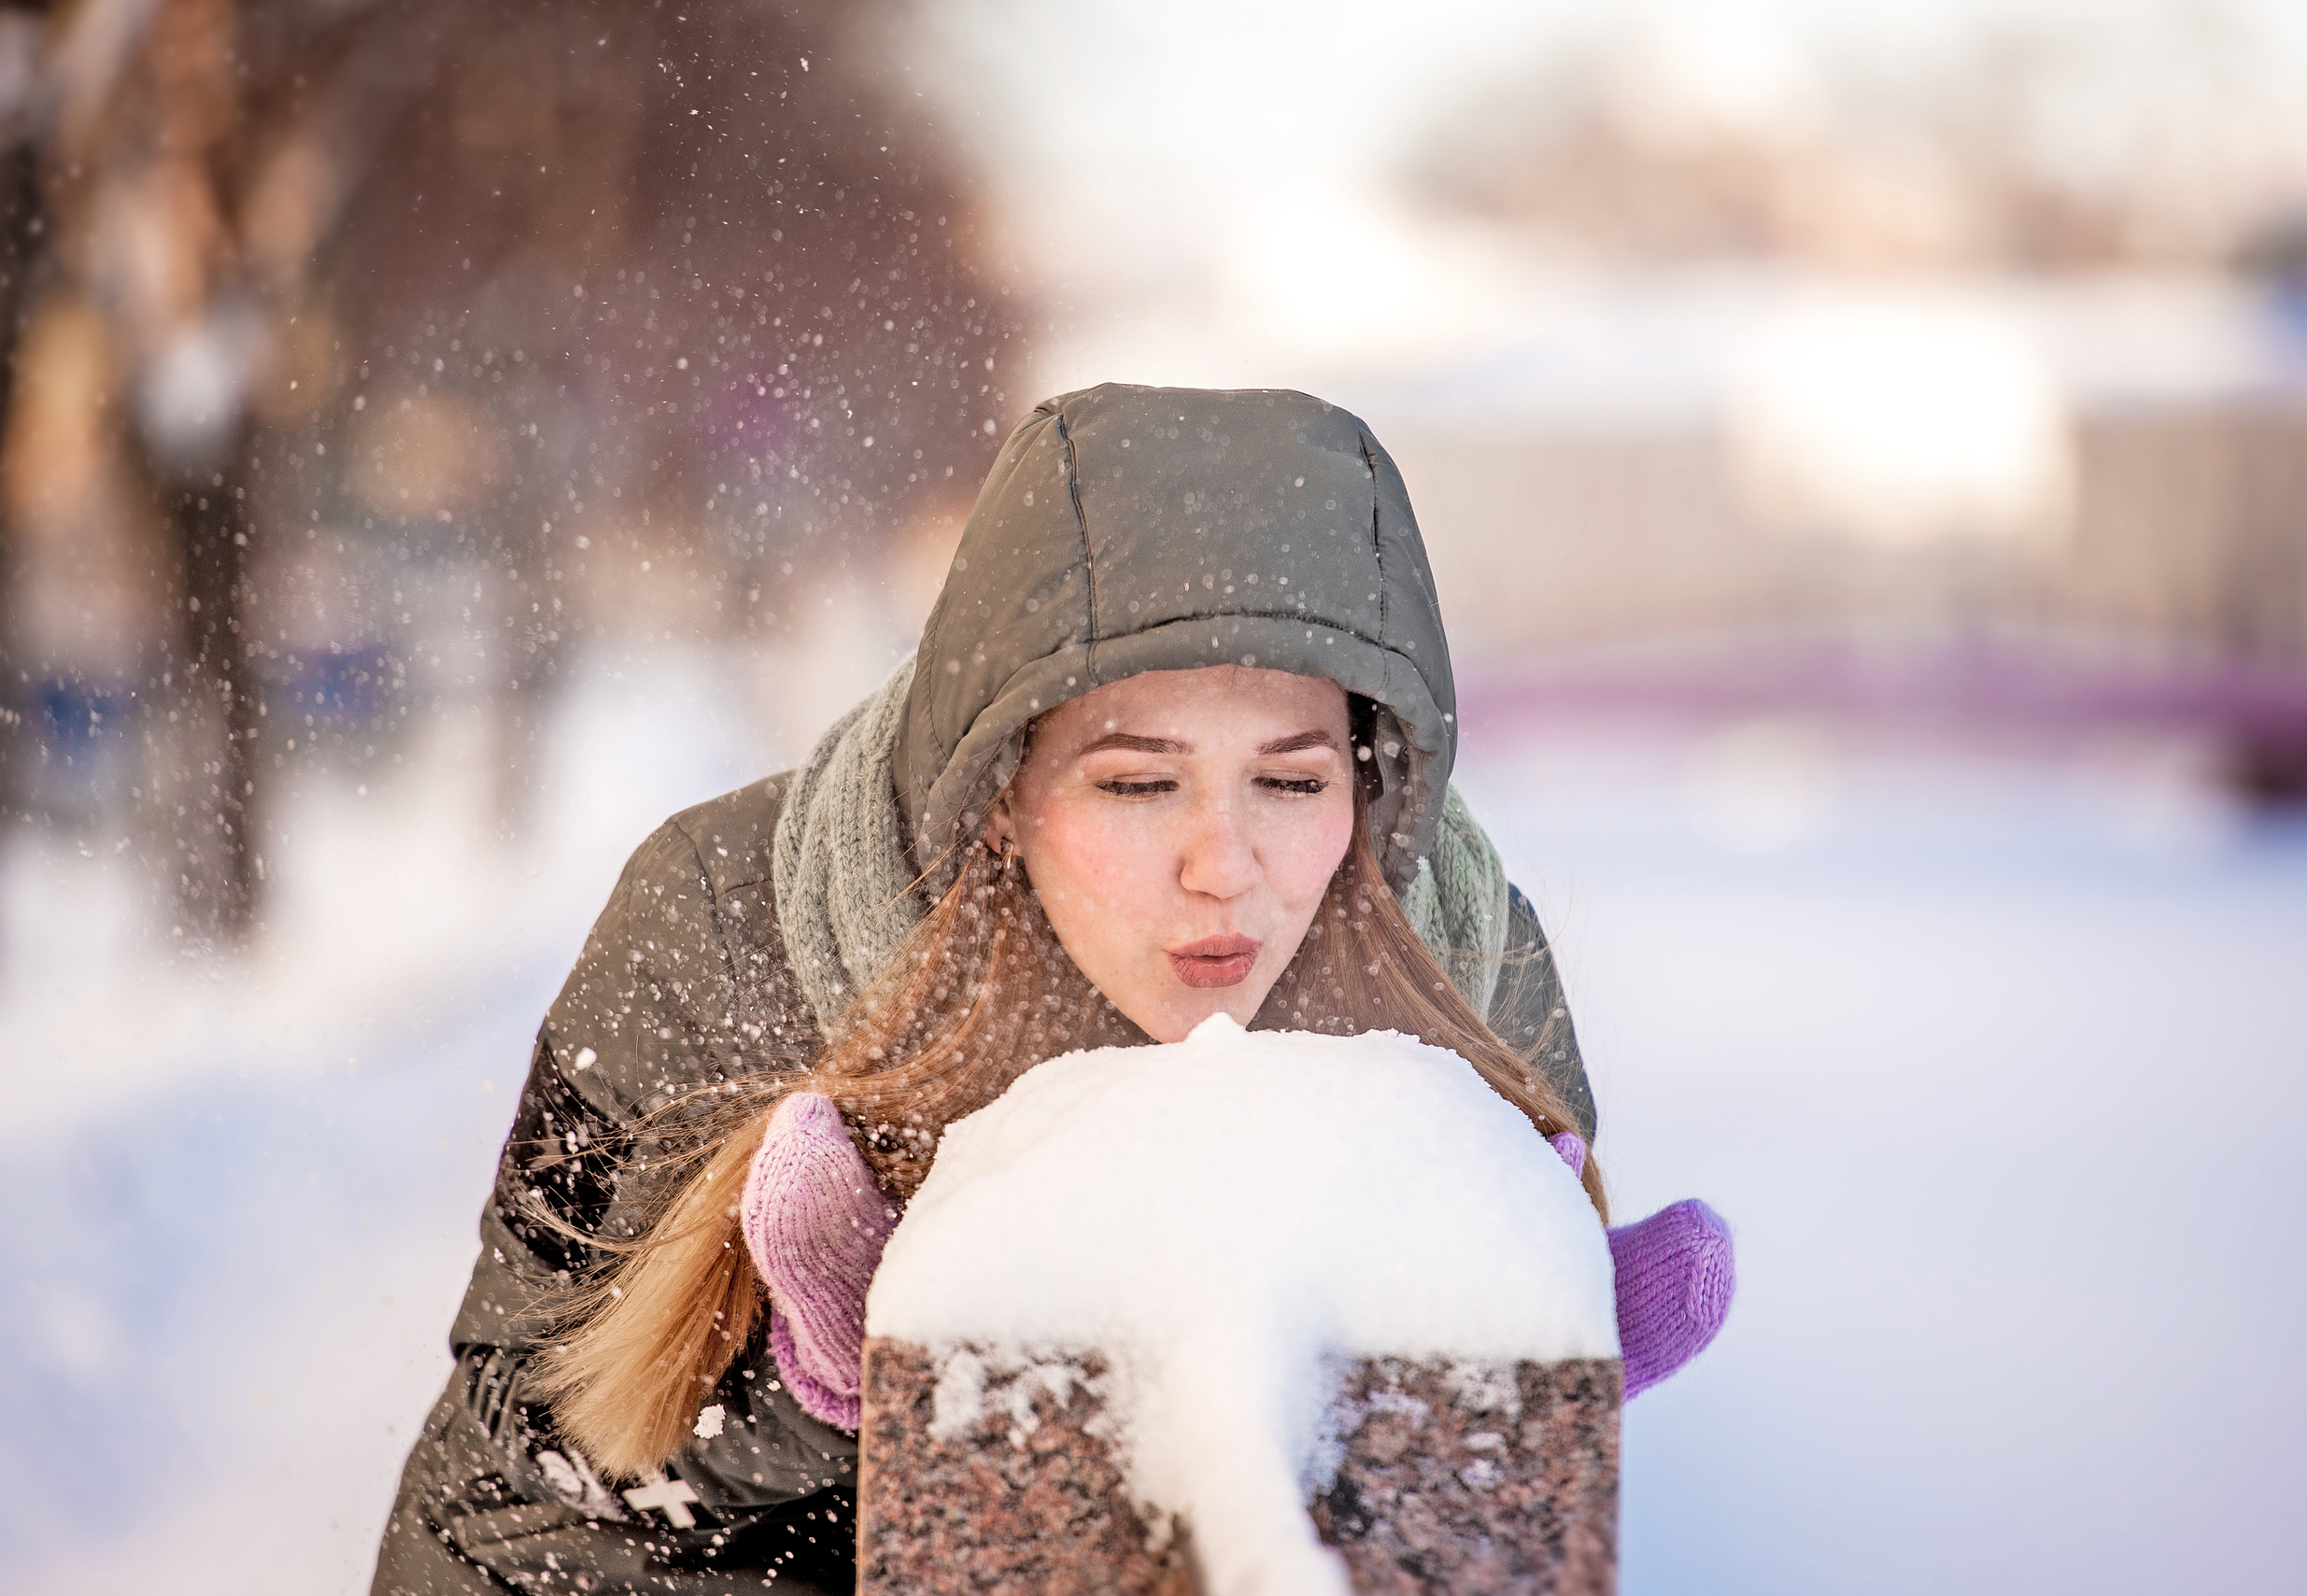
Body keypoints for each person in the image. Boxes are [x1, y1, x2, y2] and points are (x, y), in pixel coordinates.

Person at [370, 383, 1733, 1595]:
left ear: (1373, 783)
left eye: (1294, 779)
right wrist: (819, 1396)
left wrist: (1490, 1416)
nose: (1225, 868)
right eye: (1138, 781)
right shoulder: (734, 926)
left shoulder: (1467, 971)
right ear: (1002, 788)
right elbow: (519, 1479)